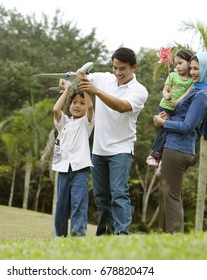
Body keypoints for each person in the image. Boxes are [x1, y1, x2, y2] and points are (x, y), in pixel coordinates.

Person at [78, 47, 149, 235]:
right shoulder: (104, 78)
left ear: (134, 67)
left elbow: (122, 106)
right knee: (101, 196)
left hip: (121, 149)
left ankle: (121, 235)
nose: (118, 73)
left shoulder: (139, 90)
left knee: (118, 193)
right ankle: (104, 235)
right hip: (99, 150)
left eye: (122, 69)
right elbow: (80, 79)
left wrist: (97, 92)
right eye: (115, 68)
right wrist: (68, 81)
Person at [153, 52, 207, 233]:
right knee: (165, 193)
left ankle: (175, 238)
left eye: (196, 68)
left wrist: (163, 123)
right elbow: (183, 117)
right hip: (175, 146)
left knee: (171, 195)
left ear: (206, 70)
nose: (192, 72)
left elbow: (187, 126)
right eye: (191, 68)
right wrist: (168, 115)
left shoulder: (202, 95)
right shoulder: (197, 90)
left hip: (178, 148)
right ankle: (165, 236)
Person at [52, 72, 94, 237]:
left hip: (80, 169)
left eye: (81, 103)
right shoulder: (64, 123)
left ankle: (77, 235)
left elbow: (90, 107)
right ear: (69, 106)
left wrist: (86, 87)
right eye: (75, 103)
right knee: (61, 204)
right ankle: (60, 236)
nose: (78, 105)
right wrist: (67, 91)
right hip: (63, 168)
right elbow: (56, 108)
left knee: (78, 204)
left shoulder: (86, 123)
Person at [146, 49, 194, 168]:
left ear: (189, 63)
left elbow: (187, 94)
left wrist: (177, 102)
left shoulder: (191, 81)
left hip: (177, 109)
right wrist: (166, 95)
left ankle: (163, 160)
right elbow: (165, 90)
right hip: (166, 106)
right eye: (176, 63)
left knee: (172, 132)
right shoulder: (172, 76)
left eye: (180, 63)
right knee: (165, 129)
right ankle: (153, 155)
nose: (177, 66)